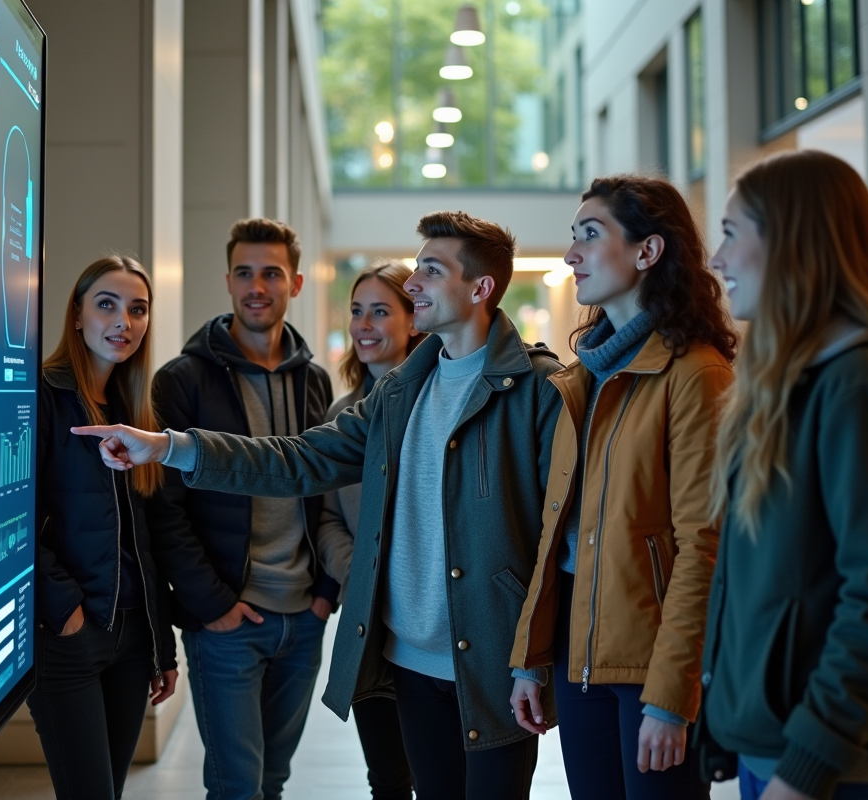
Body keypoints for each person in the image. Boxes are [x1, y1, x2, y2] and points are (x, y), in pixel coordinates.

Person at [76, 211, 566, 800]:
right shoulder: (397, 393)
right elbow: (295, 459)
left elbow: (557, 539)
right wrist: (171, 446)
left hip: (492, 664)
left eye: (430, 272)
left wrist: (532, 660)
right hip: (406, 662)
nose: (412, 285)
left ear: (480, 288)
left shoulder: (537, 389)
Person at [695, 150, 868, 800]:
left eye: (731, 233)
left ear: (791, 240)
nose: (716, 259)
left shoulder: (861, 388)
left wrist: (806, 767)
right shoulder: (794, 385)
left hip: (829, 771)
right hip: (782, 753)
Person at [509, 176, 735, 800]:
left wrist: (671, 695)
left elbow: (703, 546)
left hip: (653, 669)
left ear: (648, 252)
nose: (570, 255)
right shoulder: (583, 378)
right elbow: (560, 532)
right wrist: (534, 655)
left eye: (589, 234)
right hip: (580, 660)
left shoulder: (697, 375)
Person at [146, 218, 339, 800]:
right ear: (228, 281)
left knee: (272, 781)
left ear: (296, 283)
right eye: (246, 273)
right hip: (229, 619)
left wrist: (325, 593)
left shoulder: (315, 382)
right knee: (236, 786)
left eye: (272, 273)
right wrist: (213, 605)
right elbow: (165, 507)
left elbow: (330, 490)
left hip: (303, 619)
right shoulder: (182, 381)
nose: (258, 286)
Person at [29, 255, 179, 800]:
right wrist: (63, 610)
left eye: (138, 310)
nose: (124, 322)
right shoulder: (40, 395)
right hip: (68, 635)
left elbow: (144, 540)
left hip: (131, 636)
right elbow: (12, 519)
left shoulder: (134, 411)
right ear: (76, 315)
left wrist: (161, 646)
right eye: (107, 305)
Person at [317, 259, 422, 800]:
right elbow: (329, 517)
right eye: (357, 311)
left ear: (414, 320)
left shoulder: (437, 404)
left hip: (431, 626)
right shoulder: (342, 413)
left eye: (380, 312)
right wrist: (359, 569)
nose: (363, 325)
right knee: (386, 778)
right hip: (368, 626)